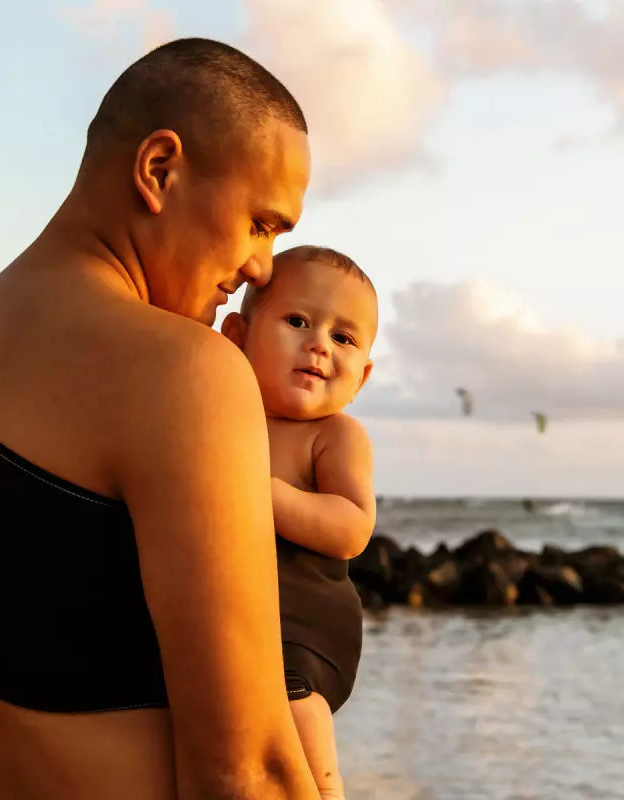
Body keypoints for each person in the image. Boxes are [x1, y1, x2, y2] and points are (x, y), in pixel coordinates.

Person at [0, 39, 319, 799]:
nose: (263, 269)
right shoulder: (184, 373)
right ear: (159, 170)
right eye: (260, 222)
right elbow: (249, 773)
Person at [221, 245, 378, 799]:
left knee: (293, 704)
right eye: (298, 321)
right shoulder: (218, 412)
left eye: (343, 338)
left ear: (361, 377)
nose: (318, 344)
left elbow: (353, 524)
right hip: (234, 616)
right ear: (236, 334)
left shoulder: (333, 435)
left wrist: (262, 494)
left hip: (305, 628)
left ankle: (324, 789)